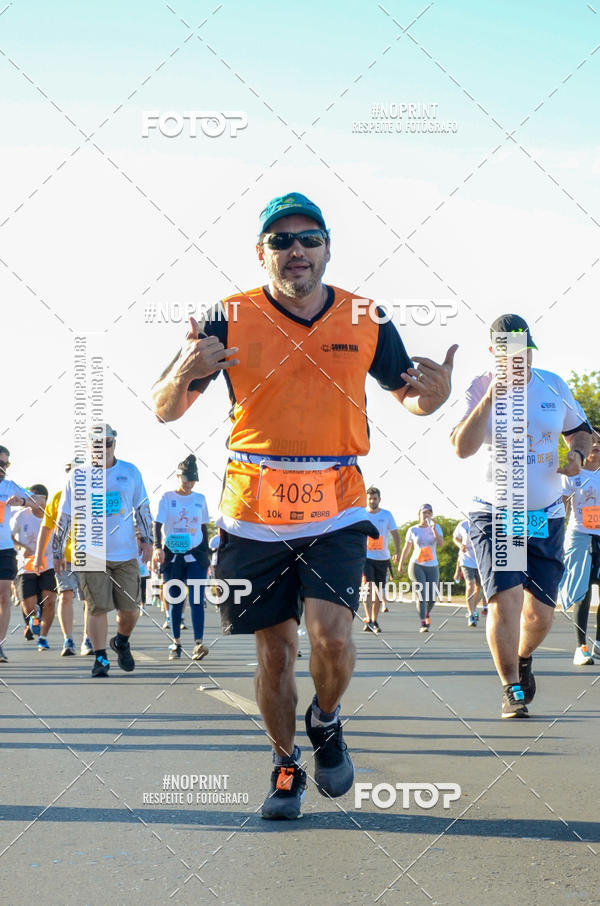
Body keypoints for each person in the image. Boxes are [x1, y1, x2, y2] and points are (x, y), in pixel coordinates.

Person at [152, 191, 456, 819]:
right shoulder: (225, 316)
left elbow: (411, 396)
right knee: (274, 651)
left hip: (337, 495)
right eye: (281, 241)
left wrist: (440, 395)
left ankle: (326, 717)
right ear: (261, 252)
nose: (296, 251)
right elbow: (166, 408)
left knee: (332, 636)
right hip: (254, 501)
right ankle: (285, 764)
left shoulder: (364, 315)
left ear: (326, 248)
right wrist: (182, 371)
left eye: (308, 239)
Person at [451, 314, 592, 718]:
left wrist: (577, 454)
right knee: (506, 601)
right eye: (511, 354)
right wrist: (491, 397)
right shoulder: (479, 386)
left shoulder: (552, 384)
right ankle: (510, 687)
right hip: (497, 513)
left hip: (545, 515)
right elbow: (462, 448)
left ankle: (523, 656)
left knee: (541, 614)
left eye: (526, 352)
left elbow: (582, 430)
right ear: (494, 353)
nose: (521, 362)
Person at [53, 424, 153, 678]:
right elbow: (64, 516)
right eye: (96, 443)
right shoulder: (77, 476)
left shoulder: (130, 472)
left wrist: (148, 540)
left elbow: (141, 508)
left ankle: (121, 641)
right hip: (91, 552)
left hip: (125, 552)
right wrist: (57, 551)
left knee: (131, 609)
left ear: (114, 444)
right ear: (89, 446)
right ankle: (100, 659)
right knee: (97, 607)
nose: (102, 448)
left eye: (106, 443)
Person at [152, 454, 210, 661]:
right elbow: (157, 524)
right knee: (176, 599)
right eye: (186, 480)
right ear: (178, 477)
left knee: (197, 599)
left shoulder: (200, 499)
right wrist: (157, 547)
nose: (189, 484)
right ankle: (176, 642)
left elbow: (203, 528)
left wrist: (207, 557)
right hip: (173, 554)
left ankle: (198, 643)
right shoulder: (167, 498)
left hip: (195, 554)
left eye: (193, 480)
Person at [34, 462, 92, 657]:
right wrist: (39, 555)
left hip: (90, 556)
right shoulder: (58, 497)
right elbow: (46, 527)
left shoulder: (95, 496)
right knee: (65, 595)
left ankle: (88, 638)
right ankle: (68, 640)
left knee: (89, 601)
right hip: (63, 556)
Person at [558, 427, 600, 665]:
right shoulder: (574, 473)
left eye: (599, 441)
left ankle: (599, 644)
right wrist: (554, 537)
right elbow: (561, 506)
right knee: (581, 590)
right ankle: (581, 647)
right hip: (580, 534)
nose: (596, 444)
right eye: (591, 440)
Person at [0, 446, 38, 662]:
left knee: (4, 597)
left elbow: (39, 502)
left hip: (4, 549)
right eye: (0, 463)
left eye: (6, 464)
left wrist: (22, 501)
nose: (3, 468)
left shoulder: (10, 487)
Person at [11, 484, 57, 651]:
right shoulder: (20, 516)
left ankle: (43, 638)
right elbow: (8, 535)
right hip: (26, 566)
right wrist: (21, 546)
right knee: (29, 605)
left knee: (50, 601)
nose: (32, 501)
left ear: (44, 500)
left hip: (49, 564)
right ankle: (33, 619)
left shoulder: (53, 515)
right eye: (30, 498)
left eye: (36, 498)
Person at [399, 504, 444, 632]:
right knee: (422, 595)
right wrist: (401, 564)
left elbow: (441, 544)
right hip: (417, 565)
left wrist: (434, 530)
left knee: (432, 597)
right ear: (419, 514)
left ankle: (426, 613)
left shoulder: (436, 527)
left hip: (432, 565)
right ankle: (423, 622)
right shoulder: (413, 530)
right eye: (424, 513)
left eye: (429, 513)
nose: (426, 515)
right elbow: (407, 548)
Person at [362, 486, 399, 633]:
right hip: (366, 557)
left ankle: (374, 619)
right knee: (368, 588)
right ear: (367, 499)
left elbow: (395, 534)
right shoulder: (361, 514)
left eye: (375, 498)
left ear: (379, 499)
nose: (372, 501)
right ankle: (368, 619)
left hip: (382, 558)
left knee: (378, 590)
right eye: (370, 498)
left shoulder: (387, 515)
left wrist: (397, 551)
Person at [453, 518, 485, 627]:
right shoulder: (462, 524)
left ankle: (472, 607)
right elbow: (455, 538)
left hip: (479, 560)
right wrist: (460, 545)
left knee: (479, 588)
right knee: (470, 584)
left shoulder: (482, 522)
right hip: (466, 560)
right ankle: (471, 614)